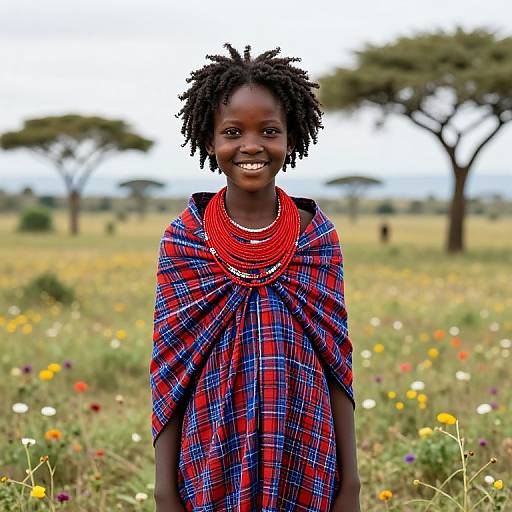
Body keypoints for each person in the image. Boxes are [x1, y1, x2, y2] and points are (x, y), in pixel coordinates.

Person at [150, 43, 360, 512]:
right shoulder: (184, 241)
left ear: (291, 137)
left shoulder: (316, 238)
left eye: (269, 131)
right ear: (209, 140)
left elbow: (337, 366)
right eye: (232, 132)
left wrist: (352, 485)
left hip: (306, 448)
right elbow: (170, 371)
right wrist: (165, 490)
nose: (251, 146)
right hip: (209, 451)